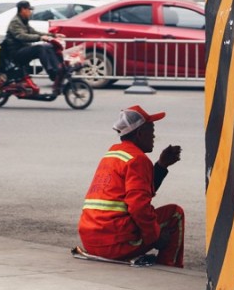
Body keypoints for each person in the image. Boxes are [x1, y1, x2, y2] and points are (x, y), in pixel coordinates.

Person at [77, 105, 184, 267]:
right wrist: (155, 237)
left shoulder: (112, 155)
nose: (154, 136)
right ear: (140, 133)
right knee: (175, 213)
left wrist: (161, 166)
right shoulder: (138, 159)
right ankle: (170, 265)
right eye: (152, 130)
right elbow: (138, 206)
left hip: (91, 240)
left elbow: (139, 191)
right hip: (112, 244)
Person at [4, 0, 63, 90]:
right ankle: (52, 73)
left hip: (23, 49)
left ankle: (58, 69)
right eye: (29, 10)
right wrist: (40, 38)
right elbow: (21, 36)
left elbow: (34, 32)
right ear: (22, 9)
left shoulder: (23, 21)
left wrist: (52, 36)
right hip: (16, 53)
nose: (30, 12)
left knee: (48, 46)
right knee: (40, 48)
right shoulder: (15, 22)